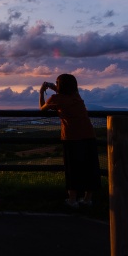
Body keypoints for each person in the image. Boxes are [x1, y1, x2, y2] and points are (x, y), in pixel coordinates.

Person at [39, 73, 101, 209]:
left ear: (60, 85)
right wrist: (53, 86)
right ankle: (87, 199)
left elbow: (42, 108)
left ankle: (72, 200)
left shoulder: (56, 99)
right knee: (89, 168)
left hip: (71, 137)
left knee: (73, 168)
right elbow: (65, 91)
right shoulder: (76, 96)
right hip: (89, 135)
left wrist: (41, 92)